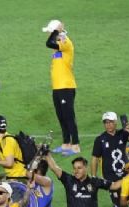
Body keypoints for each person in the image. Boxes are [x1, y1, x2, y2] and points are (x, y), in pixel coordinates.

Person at [93, 112, 129, 207]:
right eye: (106, 122)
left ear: (115, 122)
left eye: (110, 122)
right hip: (111, 179)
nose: (108, 125)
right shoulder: (100, 139)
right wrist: (93, 176)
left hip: (126, 175)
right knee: (120, 205)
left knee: (124, 201)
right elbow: (94, 158)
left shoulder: (121, 134)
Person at [43, 20, 79, 155]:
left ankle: (75, 145)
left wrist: (57, 31)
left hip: (66, 87)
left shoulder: (65, 42)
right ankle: (66, 144)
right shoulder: (59, 46)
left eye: (51, 32)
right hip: (57, 87)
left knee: (69, 116)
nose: (50, 35)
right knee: (61, 116)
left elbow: (48, 43)